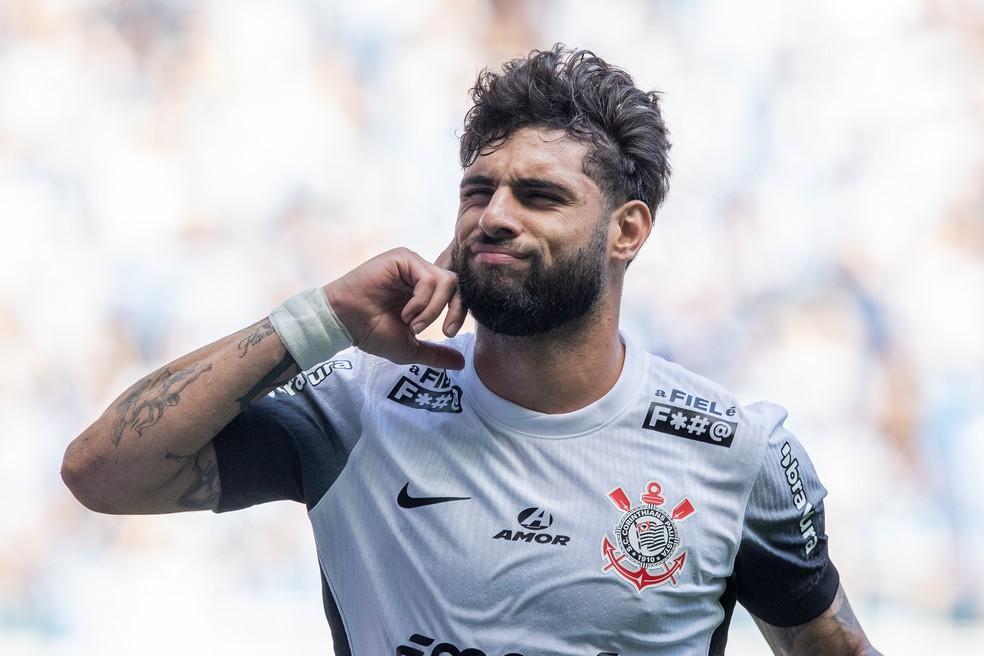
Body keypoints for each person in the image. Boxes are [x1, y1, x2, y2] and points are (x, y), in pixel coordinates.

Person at [61, 45, 881, 656]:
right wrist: (323, 320)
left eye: (541, 196)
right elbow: (100, 473)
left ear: (627, 230)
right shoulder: (355, 408)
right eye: (478, 191)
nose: (493, 215)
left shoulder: (737, 453)